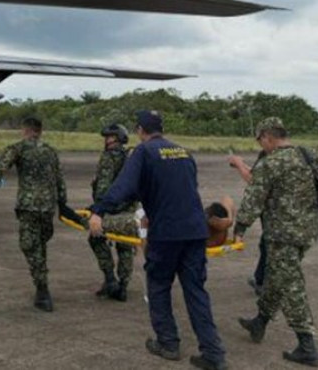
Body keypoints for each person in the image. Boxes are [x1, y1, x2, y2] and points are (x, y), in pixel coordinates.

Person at [229, 117, 318, 367]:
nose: (260, 145)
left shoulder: (270, 163)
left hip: (282, 236)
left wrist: (239, 229)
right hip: (307, 233)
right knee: (277, 278)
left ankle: (307, 345)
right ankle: (259, 322)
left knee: (291, 288)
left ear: (267, 136)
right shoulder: (309, 155)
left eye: (260, 140)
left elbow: (254, 199)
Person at [89, 111, 227, 370]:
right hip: (196, 231)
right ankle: (213, 353)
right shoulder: (183, 152)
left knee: (159, 285)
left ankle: (168, 343)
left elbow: (123, 187)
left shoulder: (143, 152)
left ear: (140, 130)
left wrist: (99, 210)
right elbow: (187, 188)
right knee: (196, 291)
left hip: (167, 233)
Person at [0, 117, 68, 312]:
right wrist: (63, 205)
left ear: (25, 130)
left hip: (28, 207)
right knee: (39, 245)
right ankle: (42, 283)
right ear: (40, 131)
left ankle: (42, 288)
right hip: (47, 207)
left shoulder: (17, 148)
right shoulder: (51, 151)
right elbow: (60, 179)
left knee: (29, 245)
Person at [88, 123, 134, 302]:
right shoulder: (129, 158)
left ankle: (110, 279)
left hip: (110, 210)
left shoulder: (109, 157)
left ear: (118, 138)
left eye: (109, 137)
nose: (106, 141)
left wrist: (98, 209)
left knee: (95, 238)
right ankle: (123, 286)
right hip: (129, 209)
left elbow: (103, 187)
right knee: (125, 246)